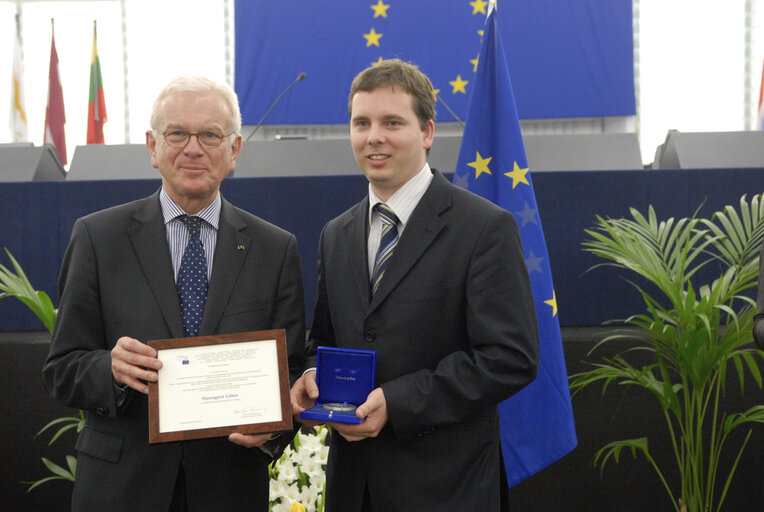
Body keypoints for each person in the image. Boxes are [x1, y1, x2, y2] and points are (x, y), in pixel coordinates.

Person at [42, 75, 305, 512]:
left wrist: (275, 428)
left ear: (234, 150)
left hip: (229, 486)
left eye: (210, 135)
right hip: (120, 488)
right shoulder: (97, 238)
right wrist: (109, 368)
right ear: (152, 147)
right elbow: (61, 368)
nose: (193, 148)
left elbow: (291, 370)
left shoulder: (275, 249)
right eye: (177, 133)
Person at [290, 59, 539, 511]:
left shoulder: (483, 228)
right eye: (361, 123)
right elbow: (325, 338)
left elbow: (511, 358)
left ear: (426, 132)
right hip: (354, 488)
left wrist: (399, 401)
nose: (373, 137)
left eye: (392, 122)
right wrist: (311, 376)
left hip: (446, 490)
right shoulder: (336, 234)